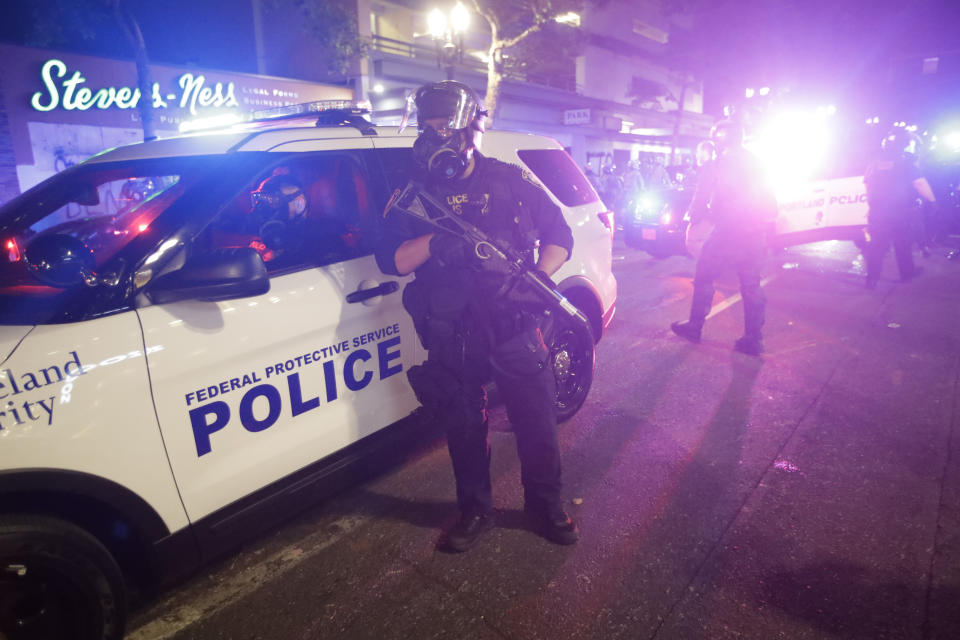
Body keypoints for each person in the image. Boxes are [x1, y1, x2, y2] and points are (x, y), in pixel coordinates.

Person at [375, 80, 579, 551]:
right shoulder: (413, 193)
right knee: (464, 428)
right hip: (453, 333)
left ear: (471, 127)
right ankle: (475, 510)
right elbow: (391, 260)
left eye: (444, 124)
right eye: (427, 127)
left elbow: (558, 232)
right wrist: (435, 242)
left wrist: (541, 278)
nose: (435, 135)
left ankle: (544, 506)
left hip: (513, 323)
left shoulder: (508, 179)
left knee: (536, 422)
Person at [670, 120, 777, 356]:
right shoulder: (757, 162)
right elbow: (771, 200)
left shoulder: (716, 164)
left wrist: (692, 218)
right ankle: (754, 339)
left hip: (727, 232)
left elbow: (701, 198)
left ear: (720, 140)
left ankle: (695, 327)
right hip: (755, 233)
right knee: (751, 285)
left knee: (704, 277)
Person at [863, 130, 937, 288]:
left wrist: (871, 206)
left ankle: (871, 279)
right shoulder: (907, 162)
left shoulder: (874, 163)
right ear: (903, 145)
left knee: (876, 246)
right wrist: (932, 201)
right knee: (902, 244)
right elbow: (920, 183)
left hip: (877, 211)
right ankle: (907, 273)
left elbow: (867, 185)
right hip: (900, 211)